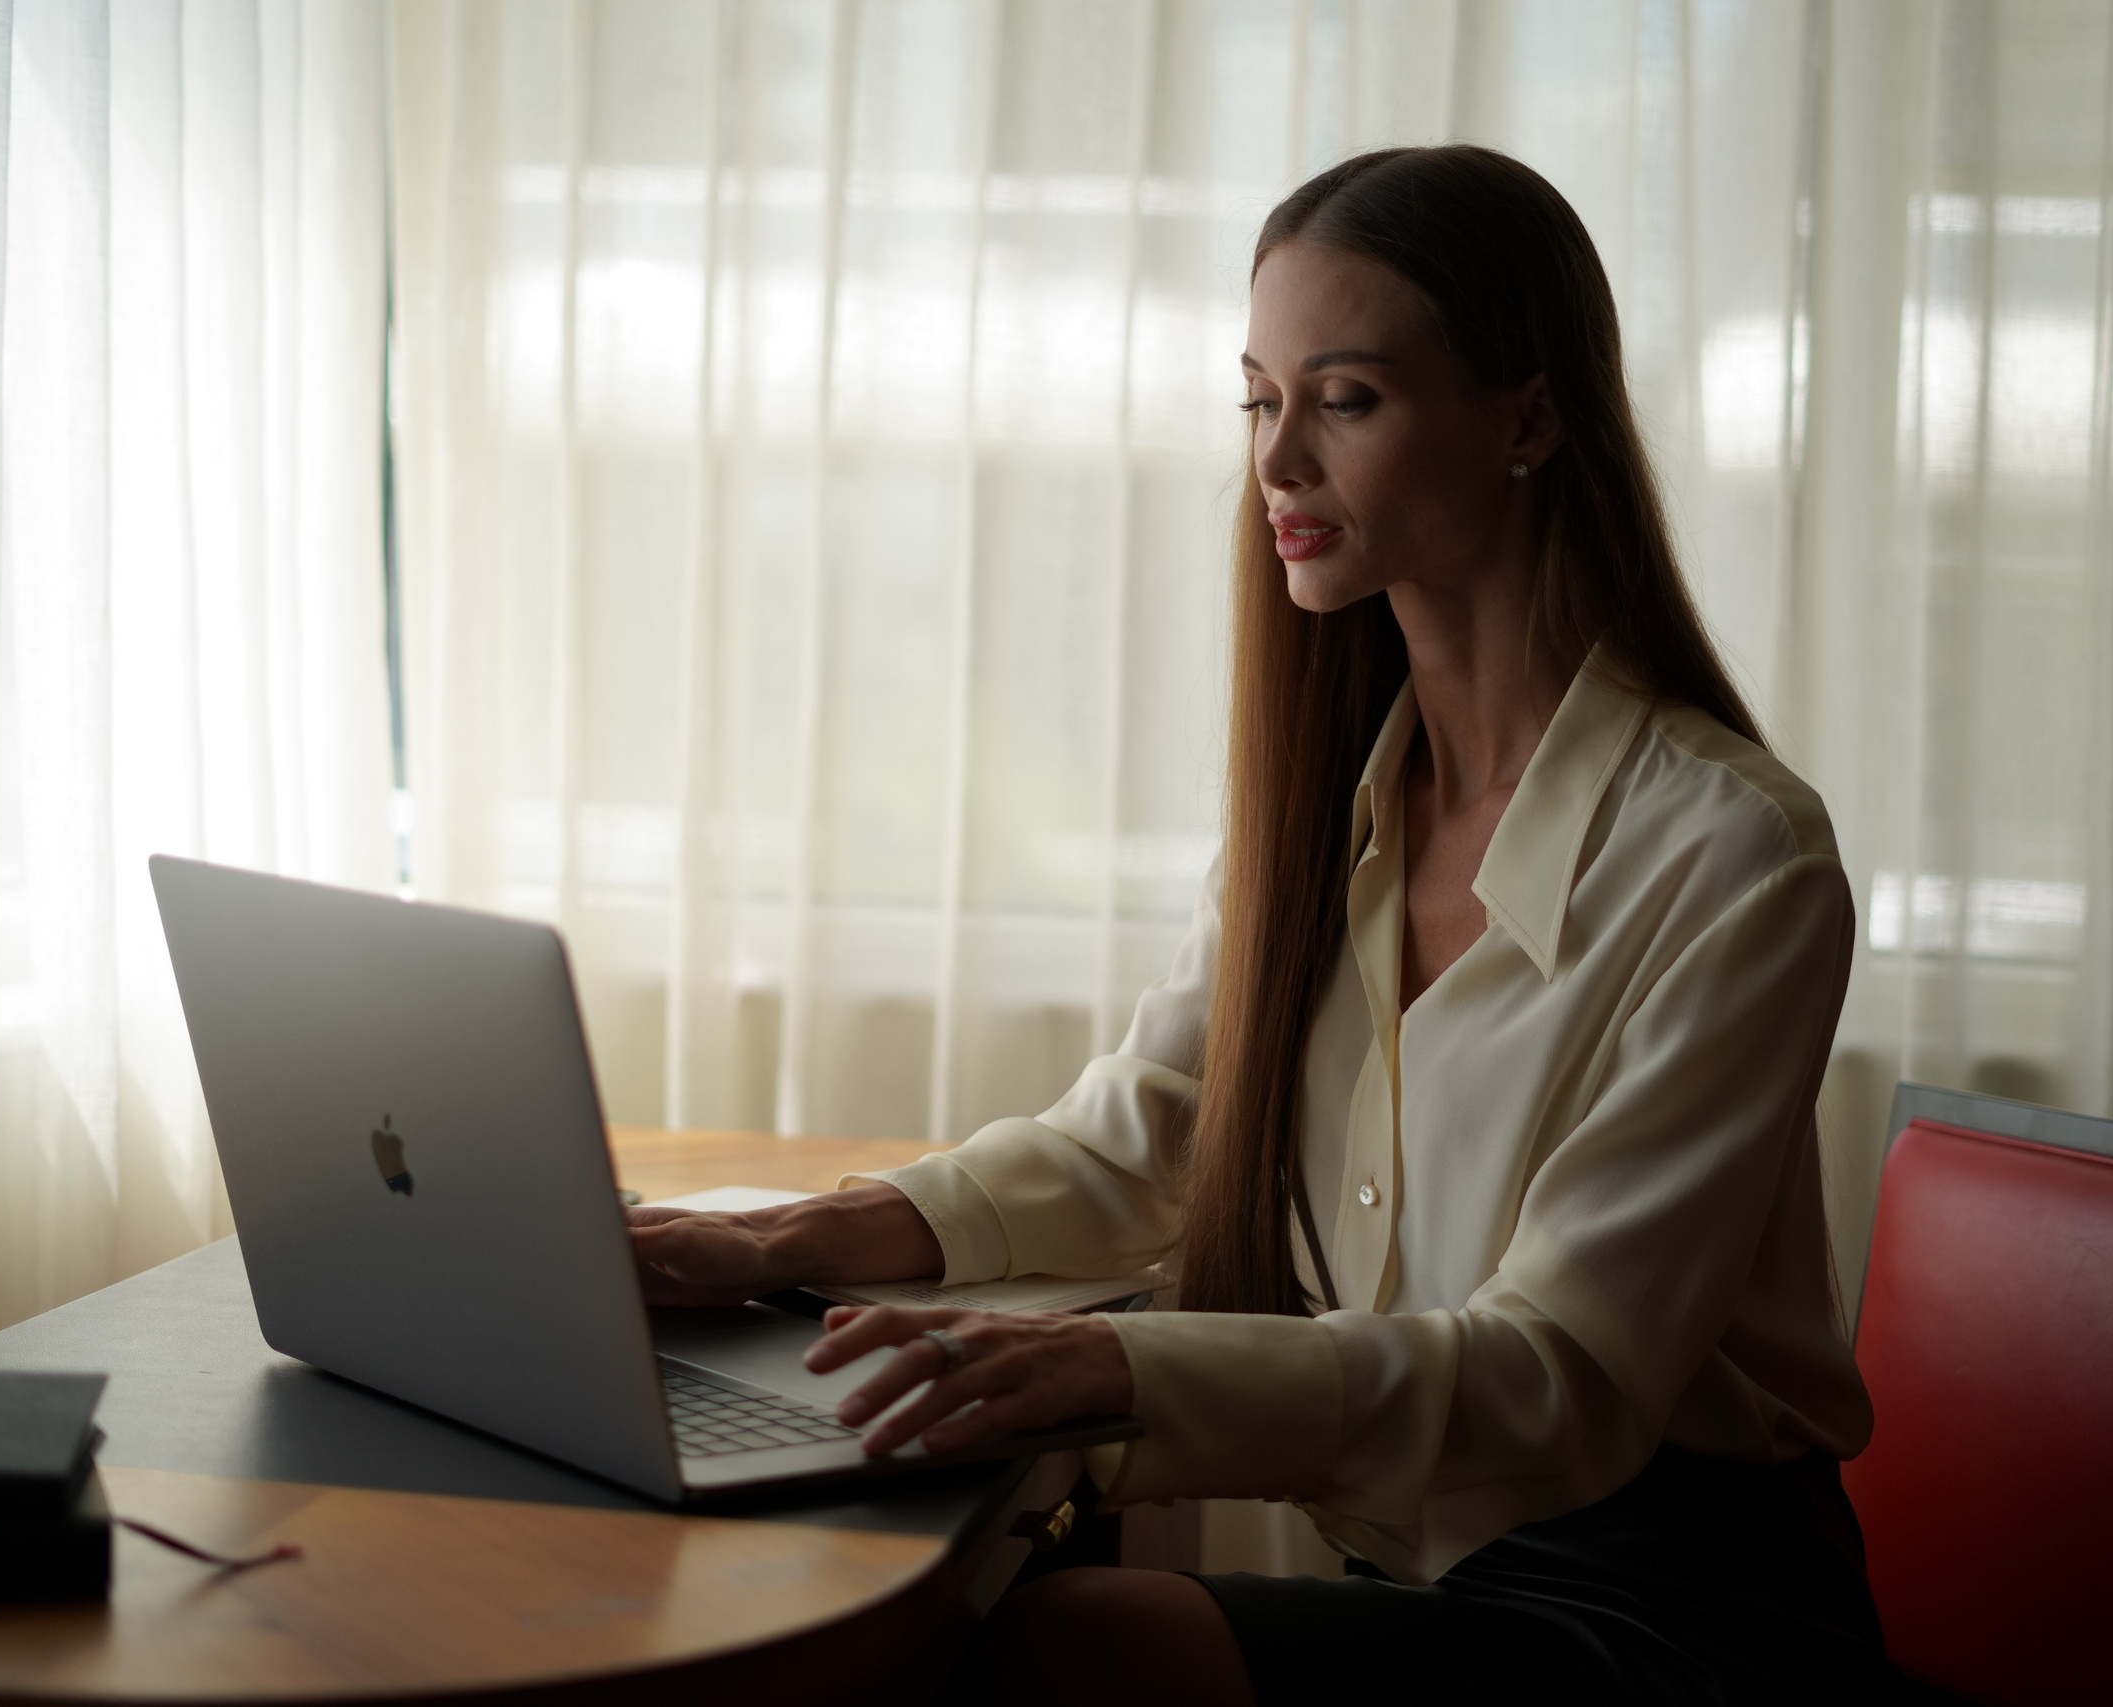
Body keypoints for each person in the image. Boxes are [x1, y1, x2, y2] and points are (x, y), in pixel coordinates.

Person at [626, 143, 1889, 1705]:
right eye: (1258, 399)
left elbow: (1562, 1373)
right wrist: (789, 1236)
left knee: (1055, 1647)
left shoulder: (1737, 857)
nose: (1278, 459)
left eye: (1345, 399)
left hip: (1684, 1616)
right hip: (1428, 1580)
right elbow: (1134, 1145)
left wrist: (1111, 1364)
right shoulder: (1333, 814)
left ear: (1533, 419)